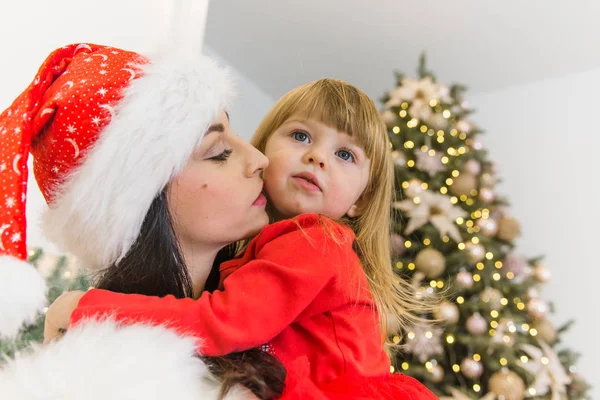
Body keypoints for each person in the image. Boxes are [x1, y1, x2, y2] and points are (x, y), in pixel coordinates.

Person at [48, 78, 437, 399]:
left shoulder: (317, 241)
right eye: (301, 136)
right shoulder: (263, 248)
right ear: (264, 149)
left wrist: (90, 308)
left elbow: (224, 322)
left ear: (361, 201)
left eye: (345, 155)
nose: (318, 157)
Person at [0, 42, 285, 399]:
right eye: (219, 153)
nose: (259, 158)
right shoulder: (98, 374)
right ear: (142, 204)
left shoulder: (274, 315)